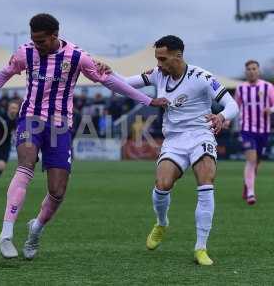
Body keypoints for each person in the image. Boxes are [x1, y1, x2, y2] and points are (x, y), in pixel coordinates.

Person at [0, 13, 169, 260]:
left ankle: (35, 229)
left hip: (60, 126)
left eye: (41, 41)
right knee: (25, 163)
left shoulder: (77, 57)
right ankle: (6, 234)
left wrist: (148, 99)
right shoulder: (24, 53)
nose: (37, 45)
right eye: (33, 40)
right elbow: (0, 76)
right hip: (31, 118)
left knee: (57, 191)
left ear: (54, 36)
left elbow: (110, 82)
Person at [99, 35, 239, 265]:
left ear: (178, 56)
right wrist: (109, 72)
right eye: (157, 59)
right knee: (163, 185)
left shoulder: (201, 77)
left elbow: (231, 104)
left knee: (206, 182)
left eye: (163, 59)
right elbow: (125, 83)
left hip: (200, 135)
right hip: (174, 140)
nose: (159, 64)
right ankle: (162, 223)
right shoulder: (157, 74)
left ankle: (200, 248)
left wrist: (221, 116)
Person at [234, 60, 274, 205]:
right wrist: (226, 119)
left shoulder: (268, 87)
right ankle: (251, 193)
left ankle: (247, 185)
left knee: (257, 162)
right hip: (246, 129)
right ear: (246, 72)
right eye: (249, 69)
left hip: (263, 130)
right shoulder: (240, 88)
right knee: (251, 160)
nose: (251, 71)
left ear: (259, 70)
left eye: (254, 68)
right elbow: (235, 107)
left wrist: (271, 109)